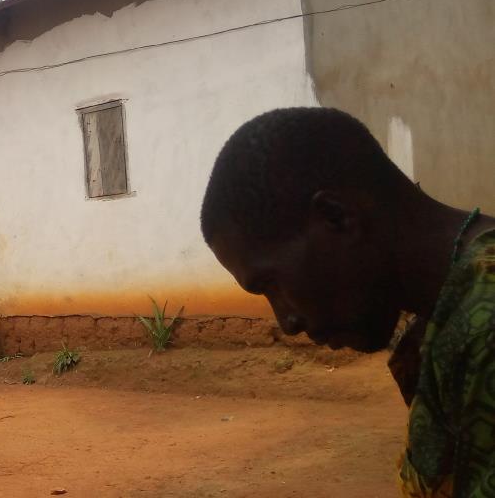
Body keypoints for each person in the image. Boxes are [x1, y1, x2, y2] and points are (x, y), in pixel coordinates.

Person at [200, 107, 495, 497]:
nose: (287, 322)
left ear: (336, 217)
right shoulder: (448, 314)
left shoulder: (485, 327)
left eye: (272, 284)